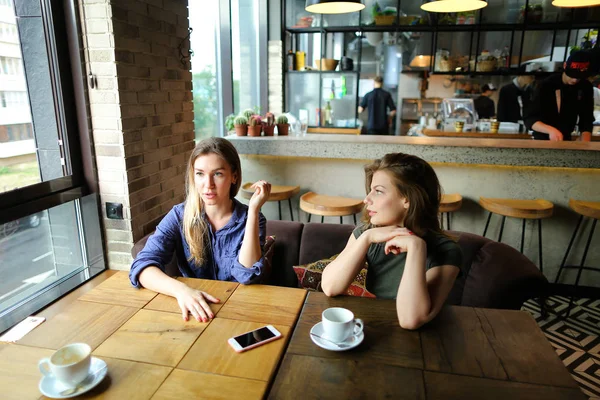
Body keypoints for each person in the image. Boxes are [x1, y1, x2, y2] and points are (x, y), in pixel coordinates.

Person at [129, 137, 272, 323]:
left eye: (218, 174)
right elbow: (141, 268)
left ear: (234, 176)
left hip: (239, 314)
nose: (208, 184)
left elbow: (247, 275)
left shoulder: (252, 219)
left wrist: (253, 210)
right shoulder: (179, 216)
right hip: (192, 312)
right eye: (200, 174)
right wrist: (182, 291)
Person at [321, 153, 463, 330]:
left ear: (408, 199)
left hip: (424, 345)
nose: (367, 199)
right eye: (371, 190)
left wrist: (416, 248)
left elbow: (411, 320)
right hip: (374, 329)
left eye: (378, 191)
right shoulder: (367, 234)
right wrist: (366, 238)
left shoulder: (446, 252)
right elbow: (330, 287)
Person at [524, 50, 593, 141]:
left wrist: (585, 140)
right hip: (542, 139)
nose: (575, 80)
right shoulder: (547, 85)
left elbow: (586, 118)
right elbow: (530, 119)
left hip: (567, 138)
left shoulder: (585, 87)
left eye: (579, 77)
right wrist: (551, 130)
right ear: (565, 66)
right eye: (572, 75)